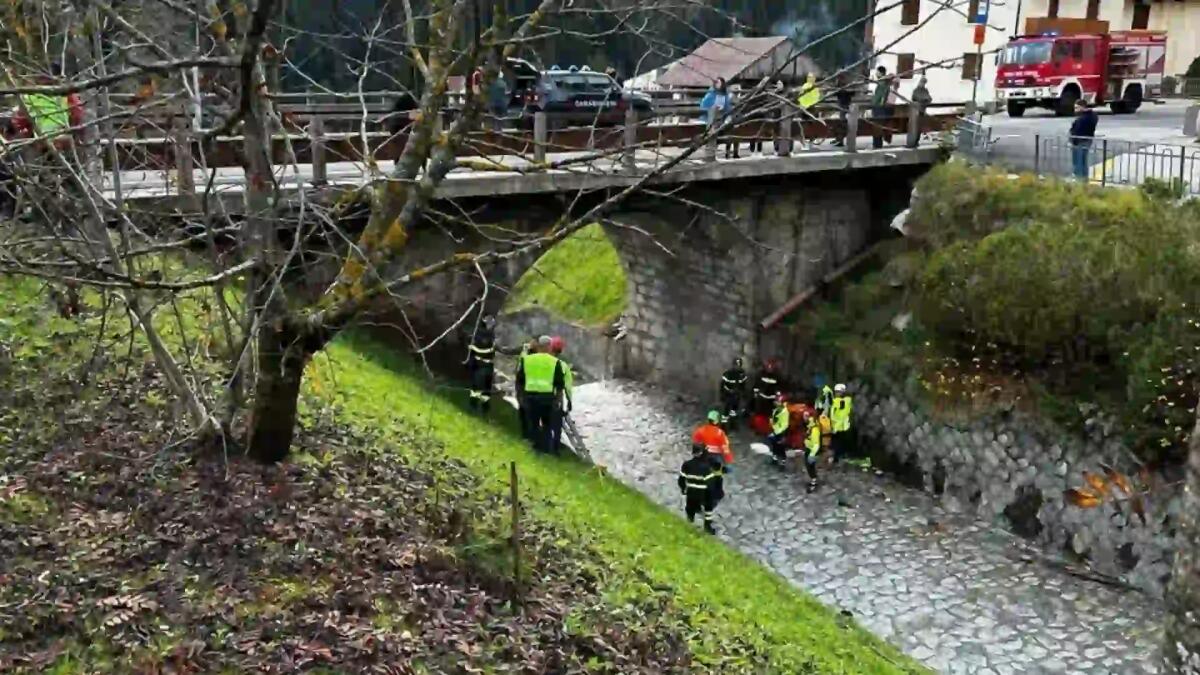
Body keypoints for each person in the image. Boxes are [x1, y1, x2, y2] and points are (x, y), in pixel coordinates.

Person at [517, 335, 569, 453]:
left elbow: (520, 379)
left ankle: (536, 448)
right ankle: (546, 449)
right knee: (546, 425)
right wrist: (558, 400)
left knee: (534, 423)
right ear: (549, 347)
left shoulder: (527, 360)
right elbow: (559, 384)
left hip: (530, 397)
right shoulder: (555, 362)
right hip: (547, 398)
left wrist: (521, 396)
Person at [547, 335, 575, 452]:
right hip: (557, 399)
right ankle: (555, 449)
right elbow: (568, 386)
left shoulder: (542, 361)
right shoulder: (563, 366)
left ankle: (544, 445)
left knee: (544, 422)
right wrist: (569, 402)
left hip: (541, 395)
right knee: (557, 426)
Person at [466, 315, 497, 414]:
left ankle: (484, 409)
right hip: (480, 365)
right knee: (477, 388)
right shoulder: (481, 335)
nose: (491, 326)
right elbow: (483, 350)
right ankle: (473, 407)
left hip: (487, 365)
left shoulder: (490, 335)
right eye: (489, 324)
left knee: (486, 390)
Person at [700, 78, 735, 158]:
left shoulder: (724, 95)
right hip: (710, 117)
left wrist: (727, 115)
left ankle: (713, 151)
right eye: (716, 83)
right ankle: (710, 153)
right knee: (712, 127)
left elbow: (727, 108)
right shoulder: (711, 93)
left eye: (719, 83)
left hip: (720, 118)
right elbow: (703, 105)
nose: (717, 84)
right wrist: (713, 107)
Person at [1070, 100, 1098, 181]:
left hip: (1079, 141)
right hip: (1087, 140)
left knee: (1078, 161)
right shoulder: (1092, 116)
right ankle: (1084, 179)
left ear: (1082, 107)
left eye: (1076, 107)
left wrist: (1073, 140)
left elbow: (1077, 130)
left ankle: (1079, 179)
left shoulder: (1083, 118)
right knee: (1083, 161)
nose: (1075, 110)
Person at [719, 357, 748, 428]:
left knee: (734, 410)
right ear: (733, 365)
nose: (737, 367)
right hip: (728, 394)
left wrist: (743, 393)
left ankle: (732, 423)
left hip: (737, 395)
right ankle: (723, 425)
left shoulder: (742, 374)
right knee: (726, 410)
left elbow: (743, 384)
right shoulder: (728, 373)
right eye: (736, 365)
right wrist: (723, 394)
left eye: (739, 365)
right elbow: (722, 385)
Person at [871, 66, 894, 149]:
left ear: (881, 73)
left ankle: (877, 144)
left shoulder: (882, 84)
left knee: (877, 126)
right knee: (878, 126)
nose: (876, 74)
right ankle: (878, 143)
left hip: (879, 108)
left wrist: (875, 103)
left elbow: (880, 97)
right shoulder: (884, 83)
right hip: (880, 107)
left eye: (877, 72)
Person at [830, 383, 854, 462]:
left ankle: (838, 457)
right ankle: (838, 457)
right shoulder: (838, 401)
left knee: (839, 443)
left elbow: (842, 415)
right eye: (836, 392)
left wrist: (836, 427)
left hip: (841, 427)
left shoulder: (843, 402)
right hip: (836, 426)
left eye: (838, 392)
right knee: (837, 443)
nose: (837, 393)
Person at [766, 393, 791, 466]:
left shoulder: (783, 411)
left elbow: (782, 423)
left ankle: (783, 461)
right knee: (775, 445)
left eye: (778, 401)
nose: (776, 402)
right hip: (776, 430)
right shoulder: (778, 409)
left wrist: (776, 431)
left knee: (780, 446)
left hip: (780, 431)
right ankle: (775, 459)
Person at [832, 74, 855, 147]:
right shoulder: (845, 84)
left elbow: (837, 93)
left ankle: (840, 140)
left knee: (842, 122)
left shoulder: (843, 84)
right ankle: (839, 139)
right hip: (844, 104)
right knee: (842, 122)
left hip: (844, 105)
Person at [803, 410, 823, 493]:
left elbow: (816, 444)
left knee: (810, 466)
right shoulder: (810, 426)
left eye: (806, 415)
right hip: (809, 448)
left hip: (812, 450)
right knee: (809, 466)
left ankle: (814, 482)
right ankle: (813, 480)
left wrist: (812, 454)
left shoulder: (814, 428)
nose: (804, 417)